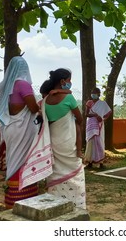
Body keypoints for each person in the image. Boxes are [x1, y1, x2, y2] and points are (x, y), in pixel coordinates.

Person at [0, 56, 40, 209]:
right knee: (22, 161)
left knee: (13, 160)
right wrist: (41, 106)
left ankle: (11, 200)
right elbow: (33, 108)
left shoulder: (6, 86)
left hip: (11, 127)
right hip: (22, 129)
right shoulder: (23, 84)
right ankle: (22, 198)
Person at [41, 68, 86, 209]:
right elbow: (79, 119)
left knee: (56, 173)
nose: (70, 83)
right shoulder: (69, 98)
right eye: (68, 80)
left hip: (53, 143)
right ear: (62, 81)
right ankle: (76, 205)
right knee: (76, 172)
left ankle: (55, 205)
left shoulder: (45, 101)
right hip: (69, 142)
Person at [84, 87, 112, 169]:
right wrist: (95, 115)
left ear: (99, 94)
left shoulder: (103, 104)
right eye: (92, 92)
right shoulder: (89, 103)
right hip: (91, 125)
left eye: (95, 93)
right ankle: (90, 162)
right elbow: (86, 114)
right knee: (90, 143)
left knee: (99, 142)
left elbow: (108, 113)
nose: (93, 94)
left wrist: (102, 119)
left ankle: (101, 163)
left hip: (99, 125)